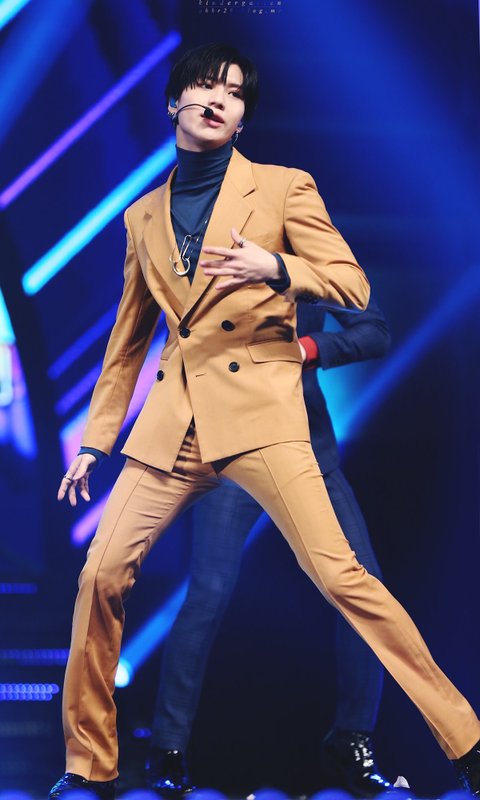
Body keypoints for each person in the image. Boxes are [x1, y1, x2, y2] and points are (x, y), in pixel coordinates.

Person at [49, 43, 480, 799]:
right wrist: (94, 443)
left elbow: (352, 285)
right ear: (174, 101)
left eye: (235, 93)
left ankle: (466, 741)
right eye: (206, 86)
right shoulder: (141, 217)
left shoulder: (282, 188)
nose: (220, 99)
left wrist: (277, 267)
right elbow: (125, 345)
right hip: (176, 426)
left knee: (345, 579)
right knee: (100, 574)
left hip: (263, 417)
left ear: (243, 119)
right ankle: (89, 765)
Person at [147, 296, 394, 798]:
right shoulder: (208, 259)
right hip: (232, 452)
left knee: (367, 594)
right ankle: (167, 751)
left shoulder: (308, 260)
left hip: (307, 451)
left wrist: (308, 348)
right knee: (208, 595)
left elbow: (374, 331)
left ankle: (352, 738)